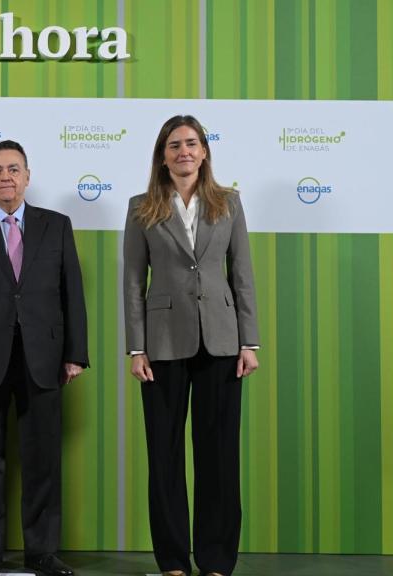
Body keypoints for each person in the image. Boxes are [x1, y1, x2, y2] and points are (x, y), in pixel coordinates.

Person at [0, 140, 88, 576]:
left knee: (42, 459)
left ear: (27, 176)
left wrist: (75, 354)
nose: (5, 177)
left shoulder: (57, 225)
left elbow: (72, 294)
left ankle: (41, 550)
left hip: (44, 358)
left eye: (13, 169)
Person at [123, 115, 259, 576]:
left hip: (222, 341)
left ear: (204, 151)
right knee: (164, 455)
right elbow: (131, 282)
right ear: (163, 155)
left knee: (219, 454)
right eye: (174, 144)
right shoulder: (141, 207)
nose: (184, 151)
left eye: (192, 143)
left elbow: (242, 275)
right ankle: (173, 561)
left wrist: (250, 342)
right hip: (161, 344)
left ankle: (217, 559)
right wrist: (136, 349)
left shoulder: (230, 203)